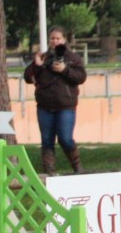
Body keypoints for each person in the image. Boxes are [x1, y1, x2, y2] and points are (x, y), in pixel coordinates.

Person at [23, 26, 87, 174]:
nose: (55, 41)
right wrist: (36, 65)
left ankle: (78, 168)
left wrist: (65, 70)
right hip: (44, 107)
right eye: (52, 38)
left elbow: (81, 77)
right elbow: (28, 77)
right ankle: (49, 172)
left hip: (66, 106)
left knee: (65, 138)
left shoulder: (73, 58)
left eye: (58, 38)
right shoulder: (43, 57)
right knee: (47, 141)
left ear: (64, 40)